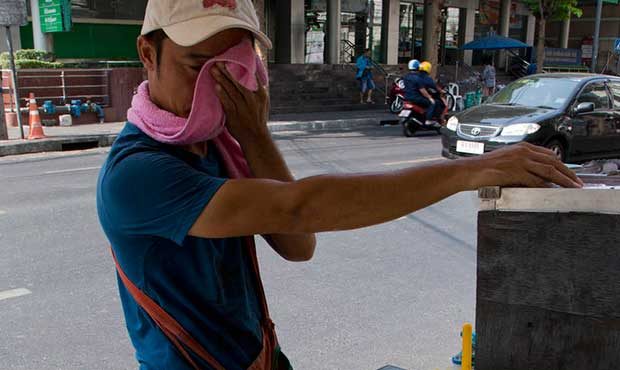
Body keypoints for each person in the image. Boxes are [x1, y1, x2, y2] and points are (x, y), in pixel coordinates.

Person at [96, 1, 583, 369]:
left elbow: (296, 245)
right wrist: (468, 171)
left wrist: (254, 133)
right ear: (148, 54)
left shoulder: (216, 147)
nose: (213, 87)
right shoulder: (139, 174)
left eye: (229, 71)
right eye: (195, 66)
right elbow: (298, 210)